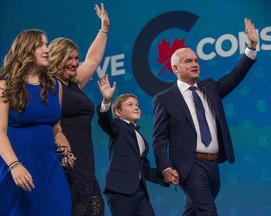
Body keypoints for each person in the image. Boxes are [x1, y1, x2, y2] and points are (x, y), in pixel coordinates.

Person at [152, 18, 258, 215]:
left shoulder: (209, 87)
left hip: (213, 165)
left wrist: (251, 47)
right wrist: (165, 167)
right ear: (175, 69)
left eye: (196, 61)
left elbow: (234, 76)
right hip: (190, 166)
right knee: (208, 211)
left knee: (193, 212)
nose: (194, 64)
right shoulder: (165, 99)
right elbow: (159, 138)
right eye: (188, 61)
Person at [0, 29, 71, 215]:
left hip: (49, 167)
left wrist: (60, 135)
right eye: (40, 45)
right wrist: (15, 165)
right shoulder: (4, 86)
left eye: (47, 44)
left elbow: (55, 124)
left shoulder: (55, 86)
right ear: (25, 50)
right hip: (16, 165)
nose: (46, 49)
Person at [48, 3, 109, 216]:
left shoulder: (75, 83)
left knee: (91, 209)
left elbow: (93, 58)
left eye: (76, 57)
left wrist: (104, 29)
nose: (75, 63)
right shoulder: (48, 86)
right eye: (69, 58)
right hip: (63, 156)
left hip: (85, 158)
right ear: (56, 58)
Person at [97, 74, 170, 216]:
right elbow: (105, 122)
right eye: (130, 105)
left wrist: (165, 176)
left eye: (137, 105)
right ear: (118, 112)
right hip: (120, 191)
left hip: (140, 193)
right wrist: (106, 100)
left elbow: (145, 169)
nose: (136, 107)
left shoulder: (141, 139)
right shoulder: (117, 126)